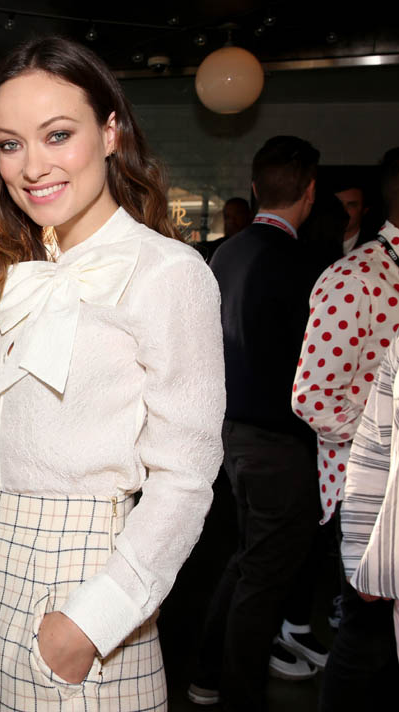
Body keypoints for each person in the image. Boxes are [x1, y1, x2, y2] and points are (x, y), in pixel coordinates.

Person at [0, 37, 224, 712]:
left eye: (58, 135)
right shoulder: (13, 267)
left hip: (81, 583)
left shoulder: (169, 274)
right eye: (10, 144)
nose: (33, 166)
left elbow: (186, 476)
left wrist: (92, 623)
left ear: (110, 132)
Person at [189, 136, 325, 711]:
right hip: (280, 441)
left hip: (231, 435)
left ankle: (206, 675)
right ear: (309, 193)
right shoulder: (307, 266)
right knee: (265, 575)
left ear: (253, 188)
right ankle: (238, 696)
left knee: (248, 560)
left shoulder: (226, 254)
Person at [321, 146, 399, 712]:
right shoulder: (356, 277)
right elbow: (312, 396)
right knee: (365, 642)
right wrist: (382, 438)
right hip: (369, 493)